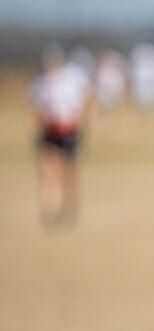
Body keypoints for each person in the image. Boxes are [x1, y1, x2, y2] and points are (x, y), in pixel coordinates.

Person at [29, 43, 93, 226]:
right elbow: (36, 108)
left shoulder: (72, 80)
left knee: (69, 172)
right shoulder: (41, 83)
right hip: (50, 131)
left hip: (69, 130)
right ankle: (50, 209)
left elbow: (87, 97)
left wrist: (81, 118)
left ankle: (70, 206)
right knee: (48, 170)